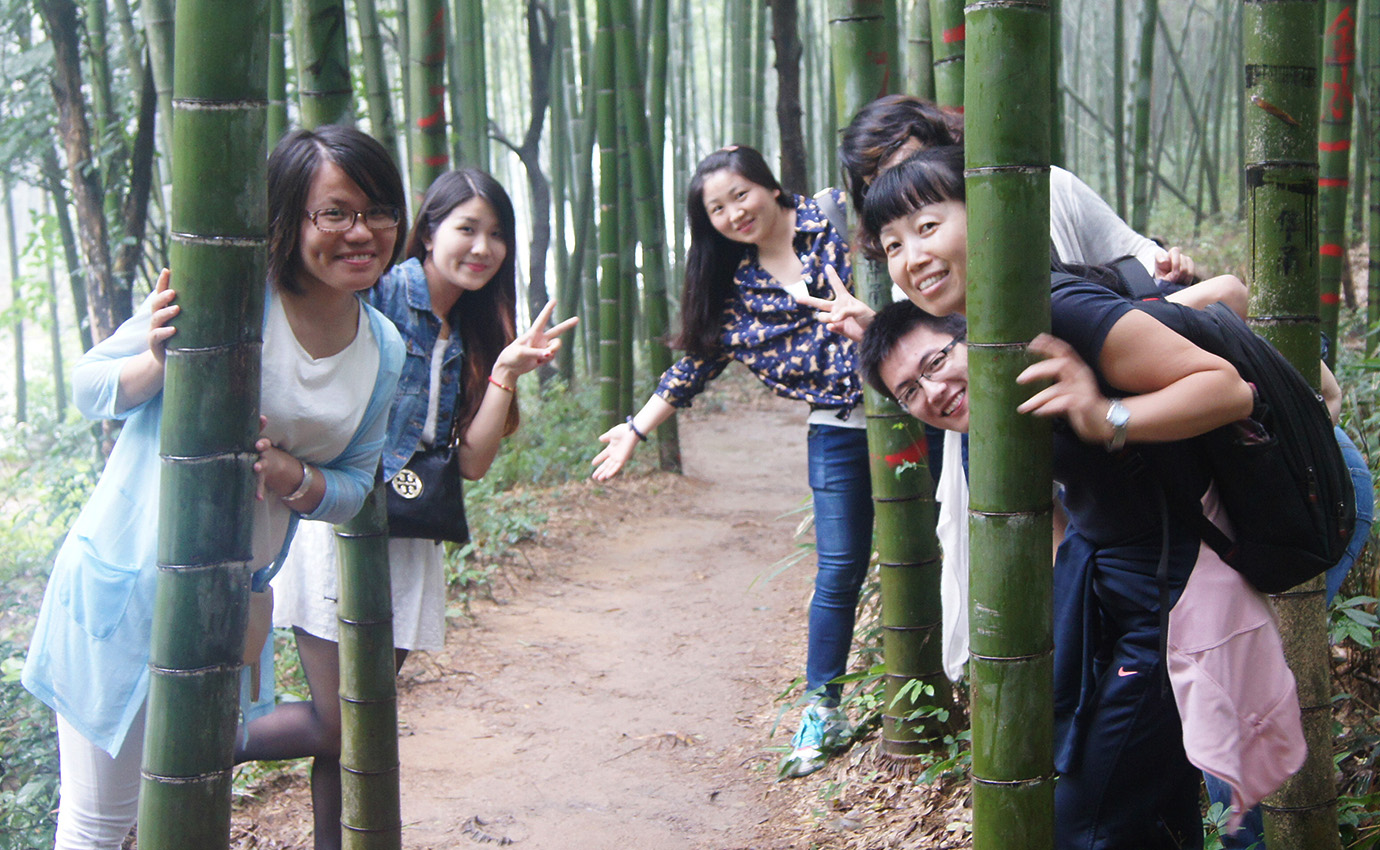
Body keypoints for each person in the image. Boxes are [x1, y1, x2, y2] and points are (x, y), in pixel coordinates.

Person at [856, 146, 1260, 848]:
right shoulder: (992, 341)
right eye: (892, 245)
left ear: (987, 213)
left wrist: (1105, 416)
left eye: (926, 226)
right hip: (1124, 593)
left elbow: (1227, 389)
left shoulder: (1058, 310)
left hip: (1173, 596)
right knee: (1154, 810)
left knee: (1083, 821)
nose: (911, 256)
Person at [21, 124, 409, 850]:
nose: (361, 232)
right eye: (335, 212)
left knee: (184, 814)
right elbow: (89, 383)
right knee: (99, 825)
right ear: (290, 217)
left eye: (379, 211)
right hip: (132, 584)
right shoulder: (230, 293)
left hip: (231, 609)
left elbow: (356, 484)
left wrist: (294, 476)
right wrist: (156, 364)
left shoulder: (383, 347)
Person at [238, 167, 576, 850]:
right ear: (427, 232)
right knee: (340, 722)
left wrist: (505, 373)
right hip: (339, 520)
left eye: (497, 235)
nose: (482, 247)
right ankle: (197, 737)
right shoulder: (377, 290)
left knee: (356, 729)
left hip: (410, 533)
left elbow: (471, 463)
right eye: (467, 228)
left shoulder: (475, 326)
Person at [589, 145, 864, 779]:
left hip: (921, 406)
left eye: (741, 194)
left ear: (770, 186)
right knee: (838, 568)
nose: (734, 212)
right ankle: (823, 709)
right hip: (837, 427)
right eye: (717, 208)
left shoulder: (838, 217)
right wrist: (635, 429)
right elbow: (695, 365)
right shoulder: (736, 285)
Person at [839, 94, 1201, 285]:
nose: (901, 190)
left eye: (910, 165)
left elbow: (1138, 257)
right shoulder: (913, 264)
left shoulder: (1048, 189)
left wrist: (1168, 269)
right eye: (880, 184)